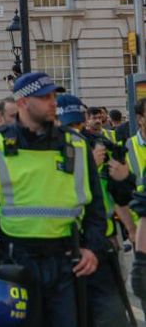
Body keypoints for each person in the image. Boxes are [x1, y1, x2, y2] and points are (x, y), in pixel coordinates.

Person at [0, 72, 107, 327]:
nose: (52, 102)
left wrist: (92, 248)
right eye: (43, 97)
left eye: (53, 95)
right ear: (22, 103)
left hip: (65, 260)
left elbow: (95, 206)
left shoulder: (75, 145)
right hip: (14, 259)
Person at [56, 95, 133, 325]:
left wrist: (123, 177)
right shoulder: (53, 151)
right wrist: (89, 164)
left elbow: (118, 196)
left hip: (103, 242)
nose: (75, 131)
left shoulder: (93, 145)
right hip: (65, 247)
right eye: (69, 126)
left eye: (78, 124)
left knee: (112, 314)